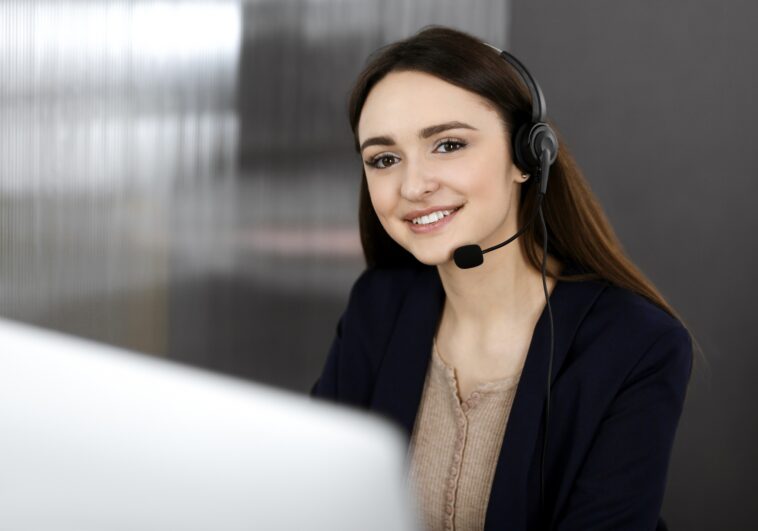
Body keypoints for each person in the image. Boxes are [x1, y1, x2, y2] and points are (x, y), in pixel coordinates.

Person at [310, 26, 693, 531]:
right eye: (384, 159)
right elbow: (316, 501)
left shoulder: (635, 346)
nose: (414, 185)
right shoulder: (379, 306)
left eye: (447, 145)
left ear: (527, 157)